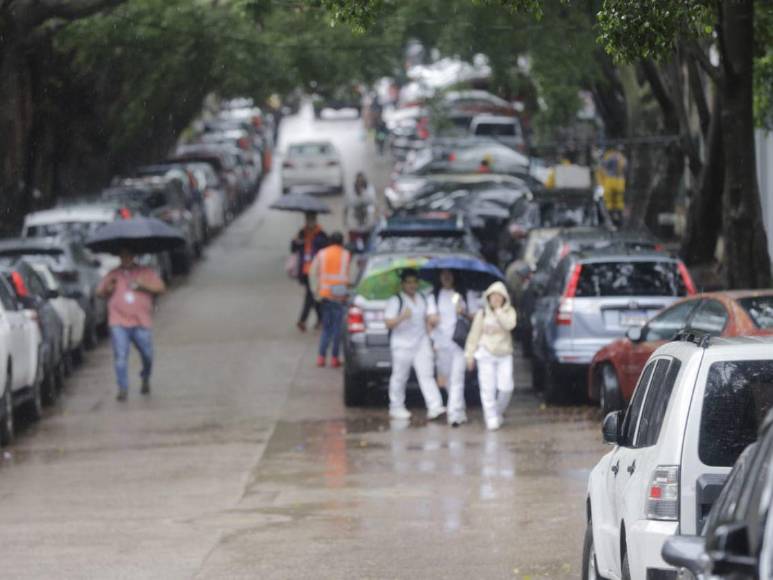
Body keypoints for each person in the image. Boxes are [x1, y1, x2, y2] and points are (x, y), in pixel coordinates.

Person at [96, 248, 166, 401]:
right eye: (123, 256)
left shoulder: (145, 272)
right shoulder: (113, 274)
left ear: (134, 256)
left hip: (141, 321)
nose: (126, 258)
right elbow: (100, 292)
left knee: (147, 355)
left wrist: (143, 285)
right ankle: (123, 388)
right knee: (120, 356)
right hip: (118, 322)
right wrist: (109, 289)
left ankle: (145, 377)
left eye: (128, 256)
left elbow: (161, 288)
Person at [384, 269, 446, 421]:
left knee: (426, 374)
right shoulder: (396, 300)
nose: (412, 285)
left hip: (421, 342)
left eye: (414, 282)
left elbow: (426, 320)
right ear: (403, 284)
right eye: (408, 282)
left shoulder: (422, 299)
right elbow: (388, 323)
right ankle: (396, 406)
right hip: (401, 344)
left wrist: (432, 339)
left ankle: (435, 406)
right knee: (400, 376)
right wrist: (401, 317)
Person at [464, 281, 517, 430]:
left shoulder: (509, 312)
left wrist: (499, 311)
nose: (495, 299)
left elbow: (510, 325)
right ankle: (490, 416)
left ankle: (497, 412)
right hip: (486, 353)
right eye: (493, 296)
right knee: (488, 388)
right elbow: (474, 335)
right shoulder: (482, 313)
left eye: (499, 296)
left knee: (506, 387)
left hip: (504, 354)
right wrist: (469, 355)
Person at [431, 270, 469, 427]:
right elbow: (430, 318)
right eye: (443, 275)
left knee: (457, 378)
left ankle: (453, 414)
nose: (446, 278)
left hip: (458, 343)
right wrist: (434, 319)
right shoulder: (433, 297)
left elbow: (471, 315)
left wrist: (463, 312)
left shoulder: (461, 295)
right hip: (441, 344)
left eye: (449, 275)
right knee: (447, 380)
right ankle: (460, 409)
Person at [309, 232, 351, 368]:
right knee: (337, 328)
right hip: (339, 295)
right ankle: (334, 358)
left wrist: (316, 290)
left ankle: (321, 357)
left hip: (325, 294)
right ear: (341, 242)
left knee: (326, 328)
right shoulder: (346, 255)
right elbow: (348, 276)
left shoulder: (321, 254)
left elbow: (313, 272)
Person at [291, 212, 328, 332]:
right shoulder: (302, 232)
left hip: (316, 270)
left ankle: (303, 320)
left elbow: (325, 248)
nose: (309, 222)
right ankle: (320, 320)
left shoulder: (321, 234)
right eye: (307, 219)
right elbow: (293, 248)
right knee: (312, 295)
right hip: (305, 270)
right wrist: (296, 241)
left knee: (310, 295)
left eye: (311, 219)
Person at [345, 172, 376, 237]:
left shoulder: (369, 190)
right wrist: (345, 221)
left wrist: (363, 194)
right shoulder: (351, 191)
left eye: (361, 181)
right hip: (354, 225)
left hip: (368, 224)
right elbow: (347, 206)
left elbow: (373, 203)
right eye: (358, 181)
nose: (360, 183)